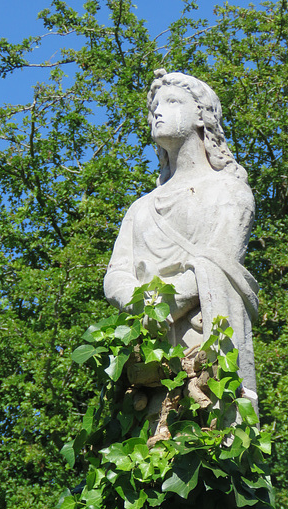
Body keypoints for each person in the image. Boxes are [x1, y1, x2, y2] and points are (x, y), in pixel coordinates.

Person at [104, 69, 259, 408]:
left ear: (202, 114)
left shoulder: (229, 192)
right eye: (154, 106)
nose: (158, 111)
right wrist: (137, 304)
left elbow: (220, 263)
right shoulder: (141, 209)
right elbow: (116, 272)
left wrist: (159, 307)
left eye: (172, 102)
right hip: (145, 366)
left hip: (200, 353)